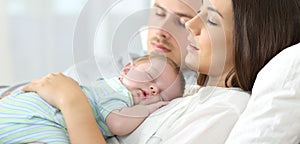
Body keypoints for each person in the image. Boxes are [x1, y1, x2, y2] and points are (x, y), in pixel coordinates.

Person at [23, 0, 300, 144]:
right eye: (199, 11)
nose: (192, 25)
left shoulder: (224, 111)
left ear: (248, 43)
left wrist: (72, 101)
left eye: (211, 20)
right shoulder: (188, 94)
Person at [0, 0, 221, 98]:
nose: (161, 30)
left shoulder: (191, 95)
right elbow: (27, 89)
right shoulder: (112, 62)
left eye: (182, 22)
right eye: (159, 13)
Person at [0, 53, 185, 143]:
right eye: (151, 77)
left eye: (162, 94)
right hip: (44, 113)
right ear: (127, 69)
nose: (153, 89)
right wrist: (149, 108)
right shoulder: (118, 93)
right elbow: (118, 124)